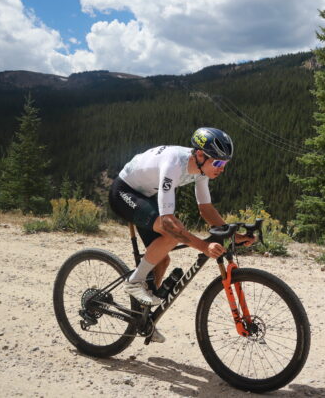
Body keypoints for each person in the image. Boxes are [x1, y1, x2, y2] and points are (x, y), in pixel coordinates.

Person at [108, 127, 255, 343]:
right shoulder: (173, 163)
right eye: (218, 163)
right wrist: (204, 247)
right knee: (171, 232)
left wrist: (231, 234)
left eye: (225, 164)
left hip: (146, 195)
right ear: (200, 155)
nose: (222, 169)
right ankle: (134, 281)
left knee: (162, 259)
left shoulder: (202, 170)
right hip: (124, 192)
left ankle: (144, 317)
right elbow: (168, 223)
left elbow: (205, 209)